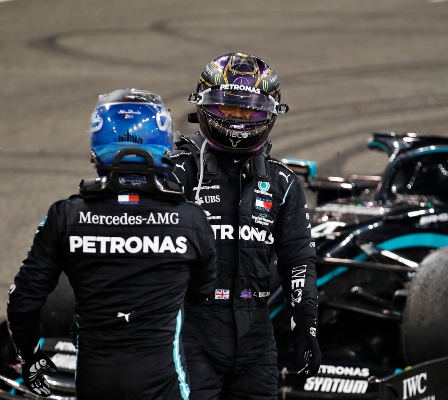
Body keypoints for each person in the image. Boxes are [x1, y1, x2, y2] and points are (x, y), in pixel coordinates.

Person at [6, 88, 217, 399]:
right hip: (161, 379)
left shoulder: (64, 216)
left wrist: (30, 357)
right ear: (164, 143)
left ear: (96, 144)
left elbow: (23, 301)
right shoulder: (192, 221)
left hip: (93, 379)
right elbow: (202, 295)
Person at [170, 53, 320, 399]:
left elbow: (299, 258)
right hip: (190, 328)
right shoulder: (177, 173)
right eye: (228, 109)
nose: (237, 118)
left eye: (248, 111)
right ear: (204, 105)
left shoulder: (283, 183)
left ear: (269, 112)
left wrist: (306, 322)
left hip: (255, 332)